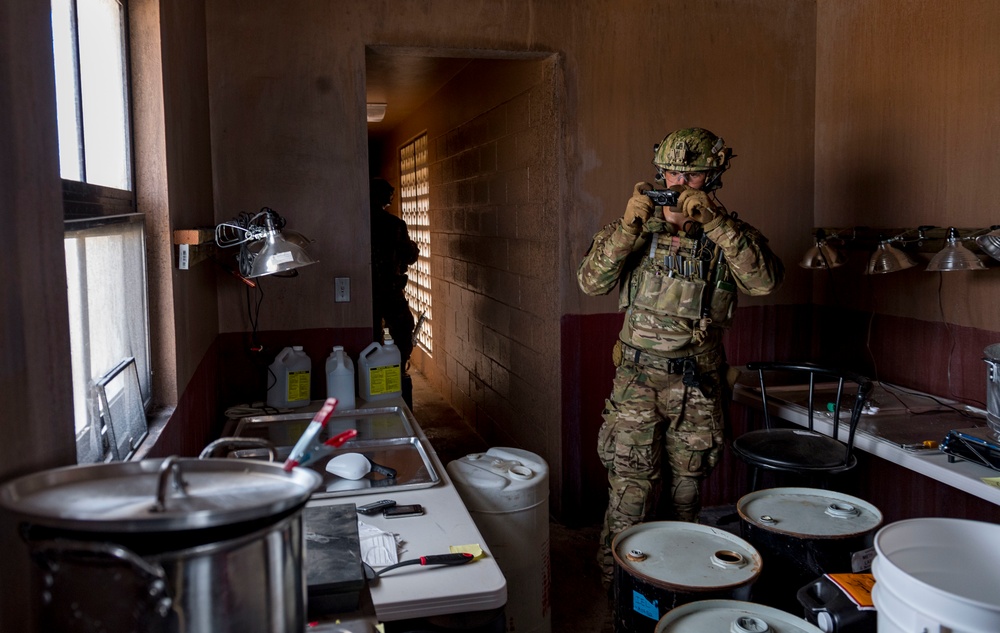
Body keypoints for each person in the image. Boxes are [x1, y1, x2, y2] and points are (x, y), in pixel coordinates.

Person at [577, 128, 784, 585]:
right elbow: (590, 282)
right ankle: (620, 589)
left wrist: (715, 224)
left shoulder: (729, 236)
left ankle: (679, 585)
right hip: (637, 381)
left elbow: (764, 282)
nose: (679, 183)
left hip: (696, 386)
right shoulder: (636, 228)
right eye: (672, 172)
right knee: (631, 492)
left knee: (686, 495)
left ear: (713, 178)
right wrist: (629, 227)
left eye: (692, 175)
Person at [370, 177, 420, 409]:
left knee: (371, 336)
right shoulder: (394, 225)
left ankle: (375, 377)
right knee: (402, 330)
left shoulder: (359, 222)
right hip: (389, 289)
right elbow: (409, 255)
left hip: (367, 293)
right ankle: (398, 372)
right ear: (384, 198)